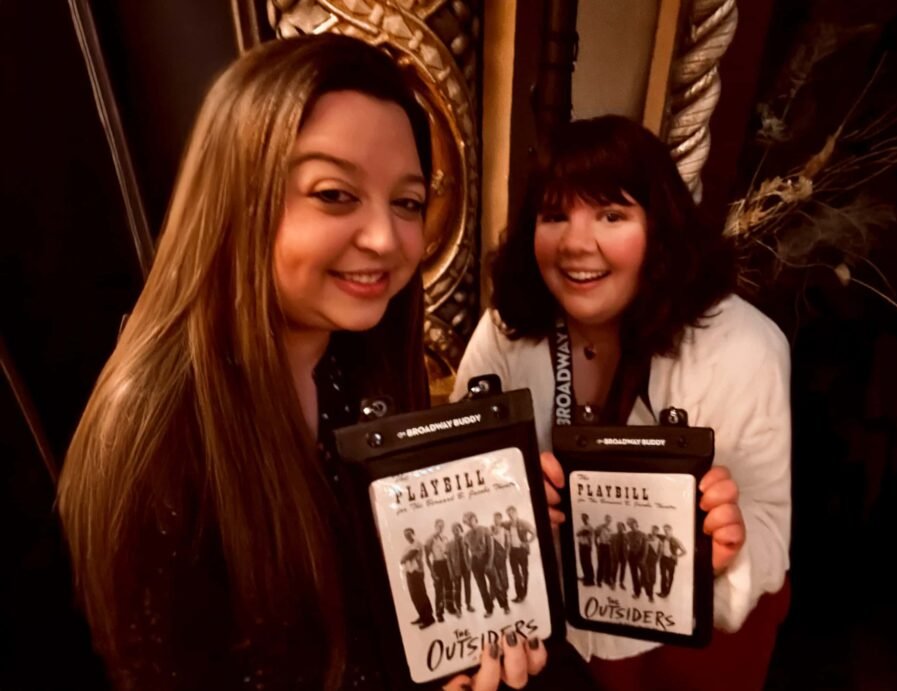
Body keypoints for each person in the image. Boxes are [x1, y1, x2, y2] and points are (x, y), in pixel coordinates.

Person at [57, 34, 547, 691]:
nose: (384, 238)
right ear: (238, 193)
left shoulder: (359, 358)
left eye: (406, 201)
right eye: (334, 194)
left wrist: (496, 507)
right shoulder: (155, 437)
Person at [453, 115, 791, 690]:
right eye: (554, 215)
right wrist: (501, 501)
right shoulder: (506, 330)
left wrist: (723, 549)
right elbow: (459, 474)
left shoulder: (746, 345)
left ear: (660, 226)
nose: (576, 243)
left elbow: (768, 524)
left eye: (612, 215)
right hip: (537, 644)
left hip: (677, 649)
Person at [426, 519, 458, 621]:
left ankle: (450, 607)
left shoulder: (444, 538)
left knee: (449, 586)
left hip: (446, 564)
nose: (440, 528)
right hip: (437, 564)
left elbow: (448, 553)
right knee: (439, 590)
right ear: (435, 526)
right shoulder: (430, 539)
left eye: (442, 526)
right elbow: (427, 558)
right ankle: (439, 613)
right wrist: (432, 572)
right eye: (439, 526)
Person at [403, 529, 436, 628]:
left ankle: (429, 618)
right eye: (405, 535)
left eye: (409, 534)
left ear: (413, 534)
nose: (407, 537)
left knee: (421, 595)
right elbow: (404, 558)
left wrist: (404, 558)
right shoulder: (407, 547)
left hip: (417, 572)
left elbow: (408, 556)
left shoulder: (417, 543)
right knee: (414, 596)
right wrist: (404, 558)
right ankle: (422, 616)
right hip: (409, 572)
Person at [506, 506, 536, 602]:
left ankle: (524, 593)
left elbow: (534, 532)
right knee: (516, 574)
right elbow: (497, 525)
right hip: (512, 552)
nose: (511, 515)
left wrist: (527, 542)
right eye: (509, 514)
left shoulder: (523, 522)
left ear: (516, 512)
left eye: (512, 513)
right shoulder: (507, 524)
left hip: (522, 551)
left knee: (524, 572)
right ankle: (519, 595)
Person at [448, 521, 475, 613]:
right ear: (452, 531)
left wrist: (470, 564)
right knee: (457, 589)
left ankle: (468, 604)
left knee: (468, 587)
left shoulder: (465, 539)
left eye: (458, 528)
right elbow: (448, 559)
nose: (456, 531)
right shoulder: (449, 543)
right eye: (454, 529)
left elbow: (471, 551)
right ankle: (458, 608)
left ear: (460, 529)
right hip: (456, 569)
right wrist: (451, 572)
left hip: (466, 567)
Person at [658, 524, 686, 598]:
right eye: (664, 530)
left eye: (667, 530)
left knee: (670, 577)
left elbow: (684, 551)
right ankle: (662, 592)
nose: (666, 532)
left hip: (671, 560)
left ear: (671, 530)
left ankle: (667, 593)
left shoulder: (676, 540)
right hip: (663, 559)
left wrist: (676, 556)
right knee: (663, 575)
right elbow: (655, 534)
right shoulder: (662, 537)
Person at [576, 513, 595, 586]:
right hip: (581, 545)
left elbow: (586, 534)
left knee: (588, 562)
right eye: (582, 518)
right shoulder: (582, 526)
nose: (583, 519)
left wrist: (581, 533)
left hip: (587, 546)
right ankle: (586, 577)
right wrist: (581, 532)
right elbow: (577, 534)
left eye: (584, 518)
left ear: (587, 518)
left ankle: (590, 580)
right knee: (583, 562)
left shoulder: (590, 527)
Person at [610, 522, 627, 591]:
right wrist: (612, 554)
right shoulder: (613, 535)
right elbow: (611, 546)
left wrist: (627, 554)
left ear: (623, 527)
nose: (619, 528)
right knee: (614, 569)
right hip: (615, 555)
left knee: (623, 570)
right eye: (618, 526)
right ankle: (613, 582)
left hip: (624, 555)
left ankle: (621, 583)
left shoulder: (627, 536)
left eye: (621, 526)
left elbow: (629, 546)